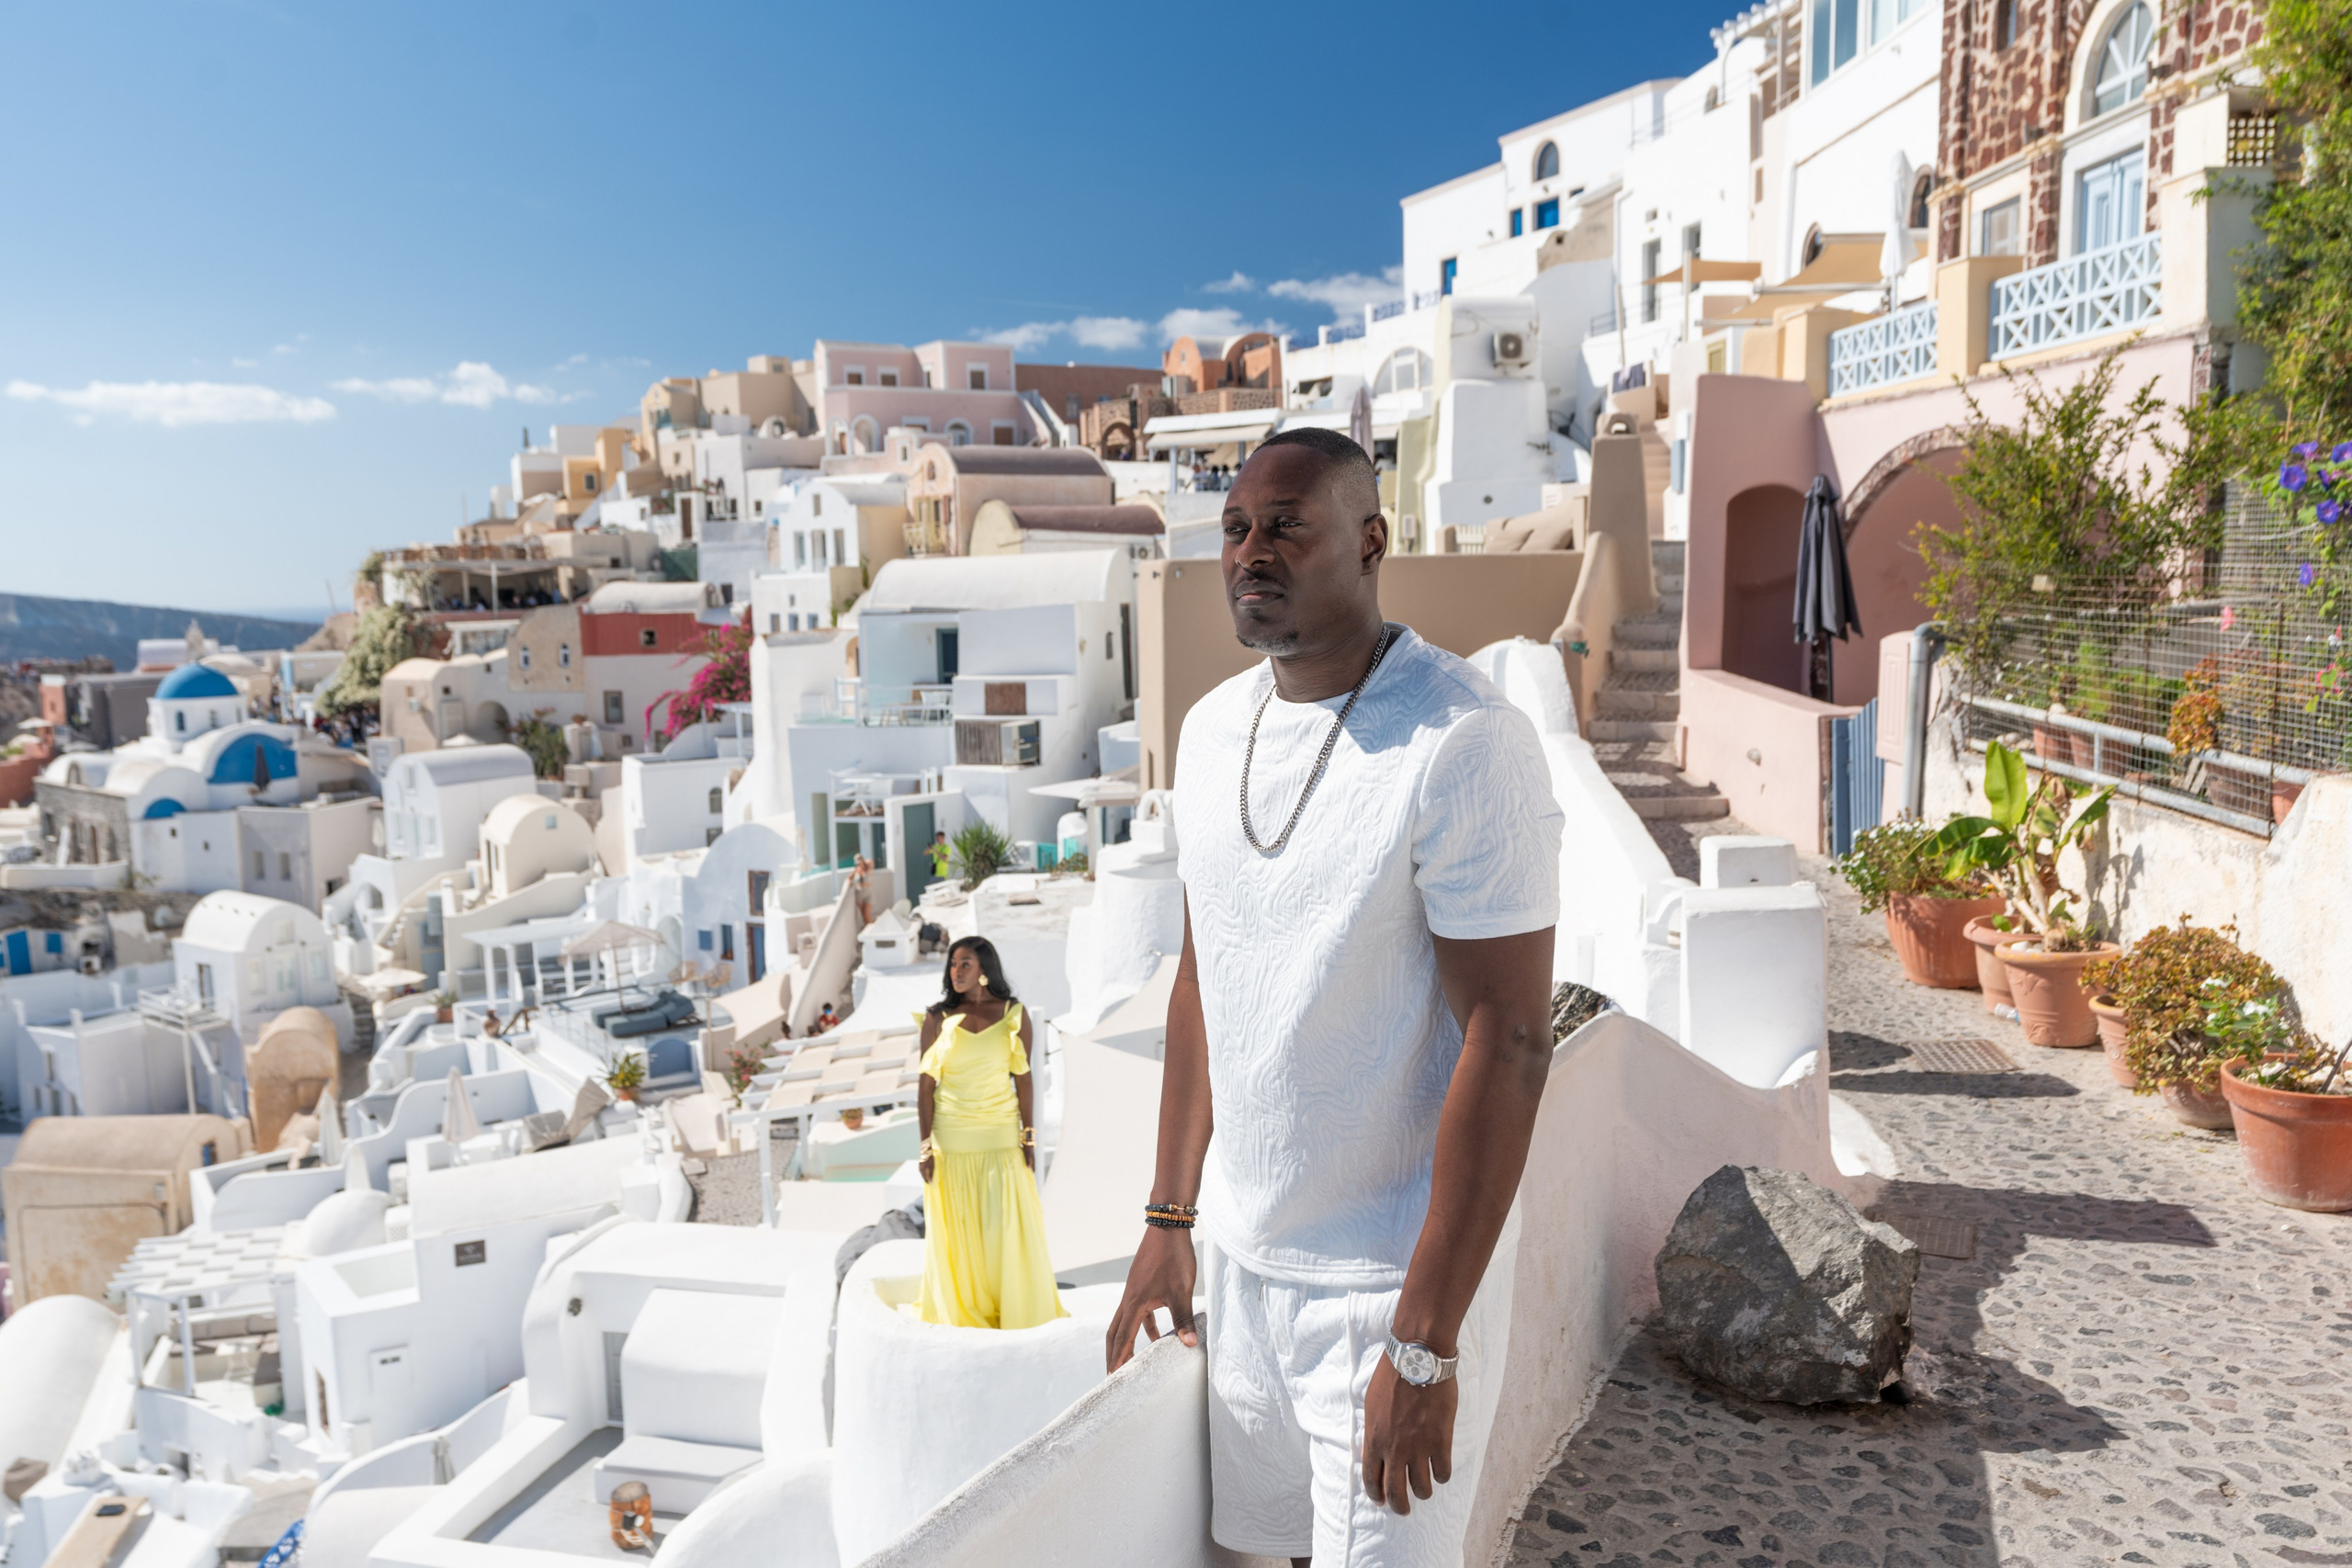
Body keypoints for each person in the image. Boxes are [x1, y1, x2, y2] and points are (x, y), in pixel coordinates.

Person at [1106, 426, 1563, 1566]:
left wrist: (1424, 1343)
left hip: (1383, 1290)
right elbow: (1208, 978)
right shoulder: (1210, 732)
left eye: (1287, 525)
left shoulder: (1462, 744)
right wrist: (1170, 1221)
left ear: (1369, 543)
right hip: (1247, 1279)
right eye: (1235, 528)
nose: (1251, 550)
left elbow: (1509, 1042)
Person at [914, 936, 1065, 1330]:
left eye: (965, 964)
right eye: (952, 964)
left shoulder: (1014, 1014)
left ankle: (1011, 1306)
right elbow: (925, 1087)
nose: (956, 971)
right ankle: (965, 1310)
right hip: (952, 1138)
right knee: (959, 1231)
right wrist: (926, 1146)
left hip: (1000, 1136)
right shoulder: (937, 1018)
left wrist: (1028, 1137)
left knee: (1005, 1225)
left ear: (984, 969)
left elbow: (1025, 1079)